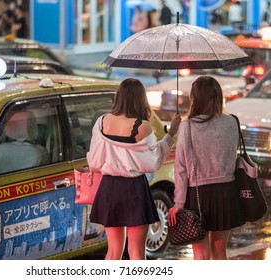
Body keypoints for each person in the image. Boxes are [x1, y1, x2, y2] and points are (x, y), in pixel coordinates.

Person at [87, 78, 181, 260]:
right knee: (136, 252)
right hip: (134, 190)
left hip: (109, 188)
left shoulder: (101, 122)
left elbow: (94, 161)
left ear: (119, 97)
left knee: (113, 251)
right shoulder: (143, 126)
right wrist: (170, 134)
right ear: (141, 99)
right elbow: (153, 162)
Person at [168, 76, 245, 260]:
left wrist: (178, 204)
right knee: (220, 252)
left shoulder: (187, 126)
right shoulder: (232, 122)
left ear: (195, 98)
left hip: (197, 194)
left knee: (201, 255)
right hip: (226, 192)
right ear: (218, 96)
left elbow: (181, 169)